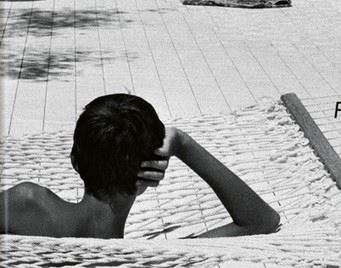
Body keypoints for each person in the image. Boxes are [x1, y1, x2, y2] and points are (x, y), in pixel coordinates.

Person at [0, 94, 280, 239]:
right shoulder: (138, 266)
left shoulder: (26, 204)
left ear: (74, 161)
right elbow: (261, 220)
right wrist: (182, 142)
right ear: (148, 178)